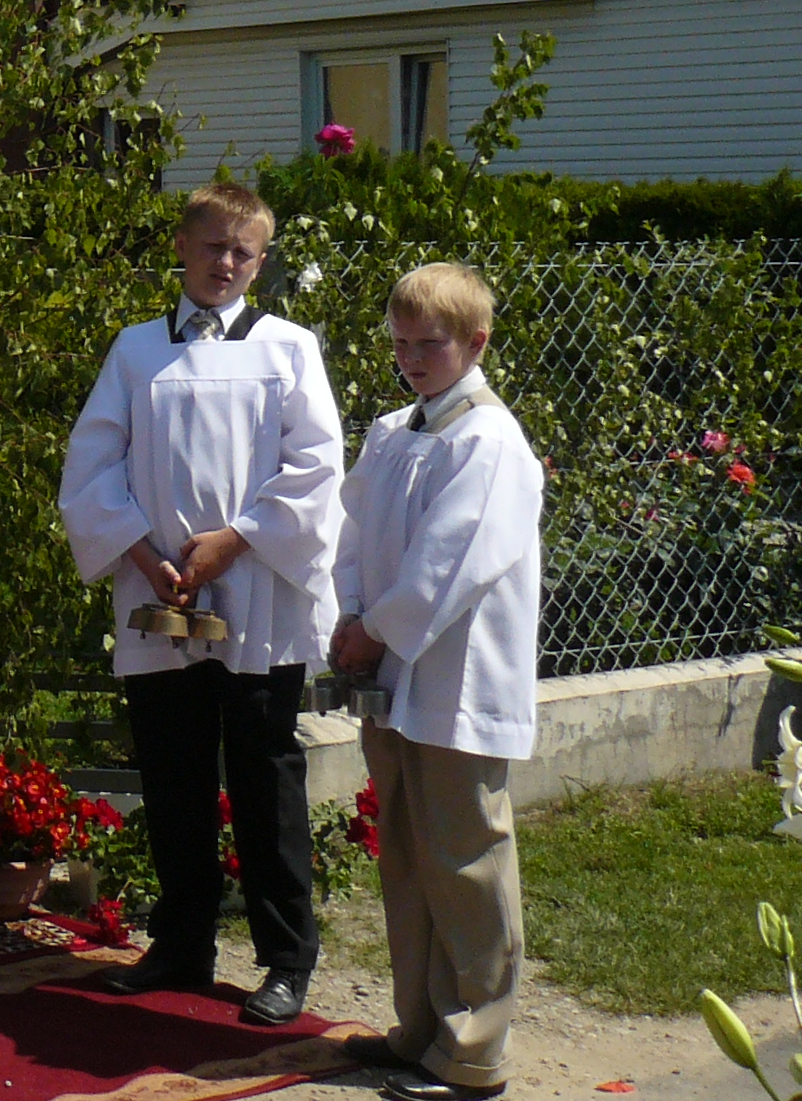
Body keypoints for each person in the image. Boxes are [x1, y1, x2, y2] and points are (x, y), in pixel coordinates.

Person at [58, 179, 343, 1028]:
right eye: (213, 246)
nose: (226, 263)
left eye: (243, 252)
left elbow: (317, 468)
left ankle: (286, 957)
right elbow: (92, 467)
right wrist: (145, 555)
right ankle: (182, 942)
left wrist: (236, 540)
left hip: (257, 593)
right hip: (160, 592)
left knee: (264, 775)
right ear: (182, 246)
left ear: (262, 261)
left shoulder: (288, 349)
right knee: (173, 772)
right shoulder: (137, 351)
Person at [331, 264, 540, 1101]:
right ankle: (419, 1028)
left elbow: (448, 565)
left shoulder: (488, 443)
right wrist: (351, 613)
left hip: (456, 680)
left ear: (477, 343)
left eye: (431, 344)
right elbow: (352, 534)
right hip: (391, 671)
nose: (412, 359)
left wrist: (375, 628)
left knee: (465, 859)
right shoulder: (393, 433)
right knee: (411, 858)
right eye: (400, 344)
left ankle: (474, 1048)